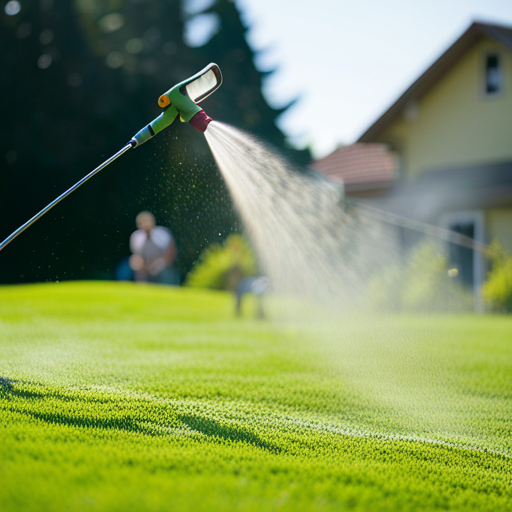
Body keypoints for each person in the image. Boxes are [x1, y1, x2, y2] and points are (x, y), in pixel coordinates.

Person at [129, 211, 178, 285]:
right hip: (145, 270)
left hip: (163, 269)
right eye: (142, 222)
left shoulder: (164, 234)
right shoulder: (135, 237)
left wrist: (156, 267)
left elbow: (170, 255)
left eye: (147, 222)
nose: (145, 225)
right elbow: (137, 256)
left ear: (153, 222)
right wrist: (142, 266)